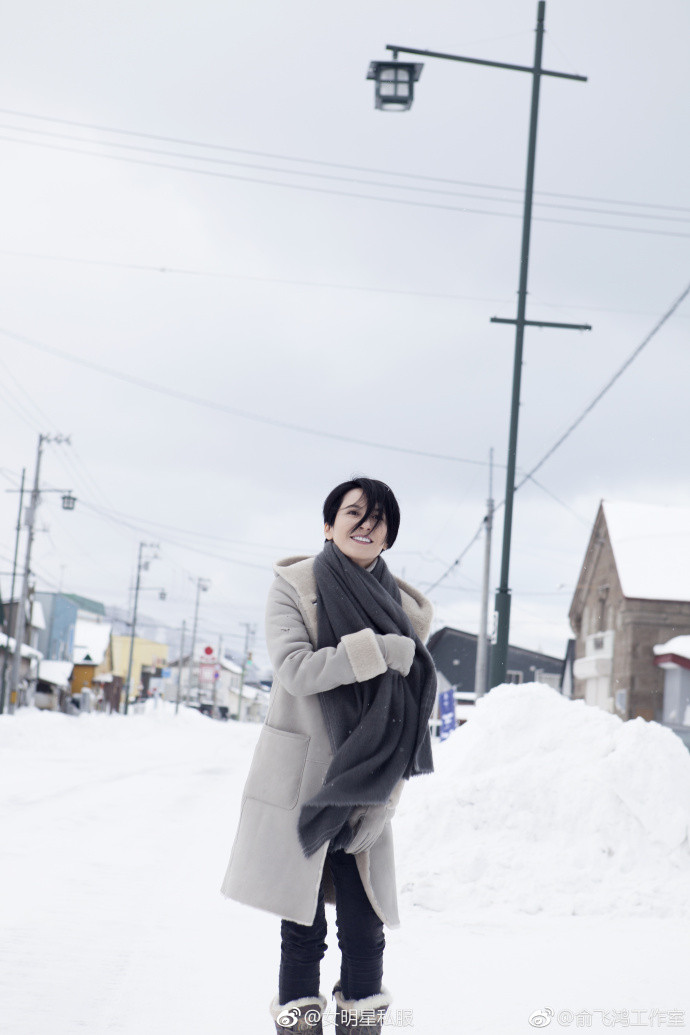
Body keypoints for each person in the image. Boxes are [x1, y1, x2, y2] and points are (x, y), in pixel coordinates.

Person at [221, 477, 437, 1034]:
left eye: (379, 519)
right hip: (305, 784)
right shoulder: (294, 587)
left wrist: (387, 795)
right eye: (354, 513)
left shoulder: (406, 610)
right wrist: (378, 652)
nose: (366, 525)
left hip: (367, 784)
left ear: (388, 536)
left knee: (366, 932)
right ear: (328, 524)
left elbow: (407, 709)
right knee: (304, 927)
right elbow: (295, 670)